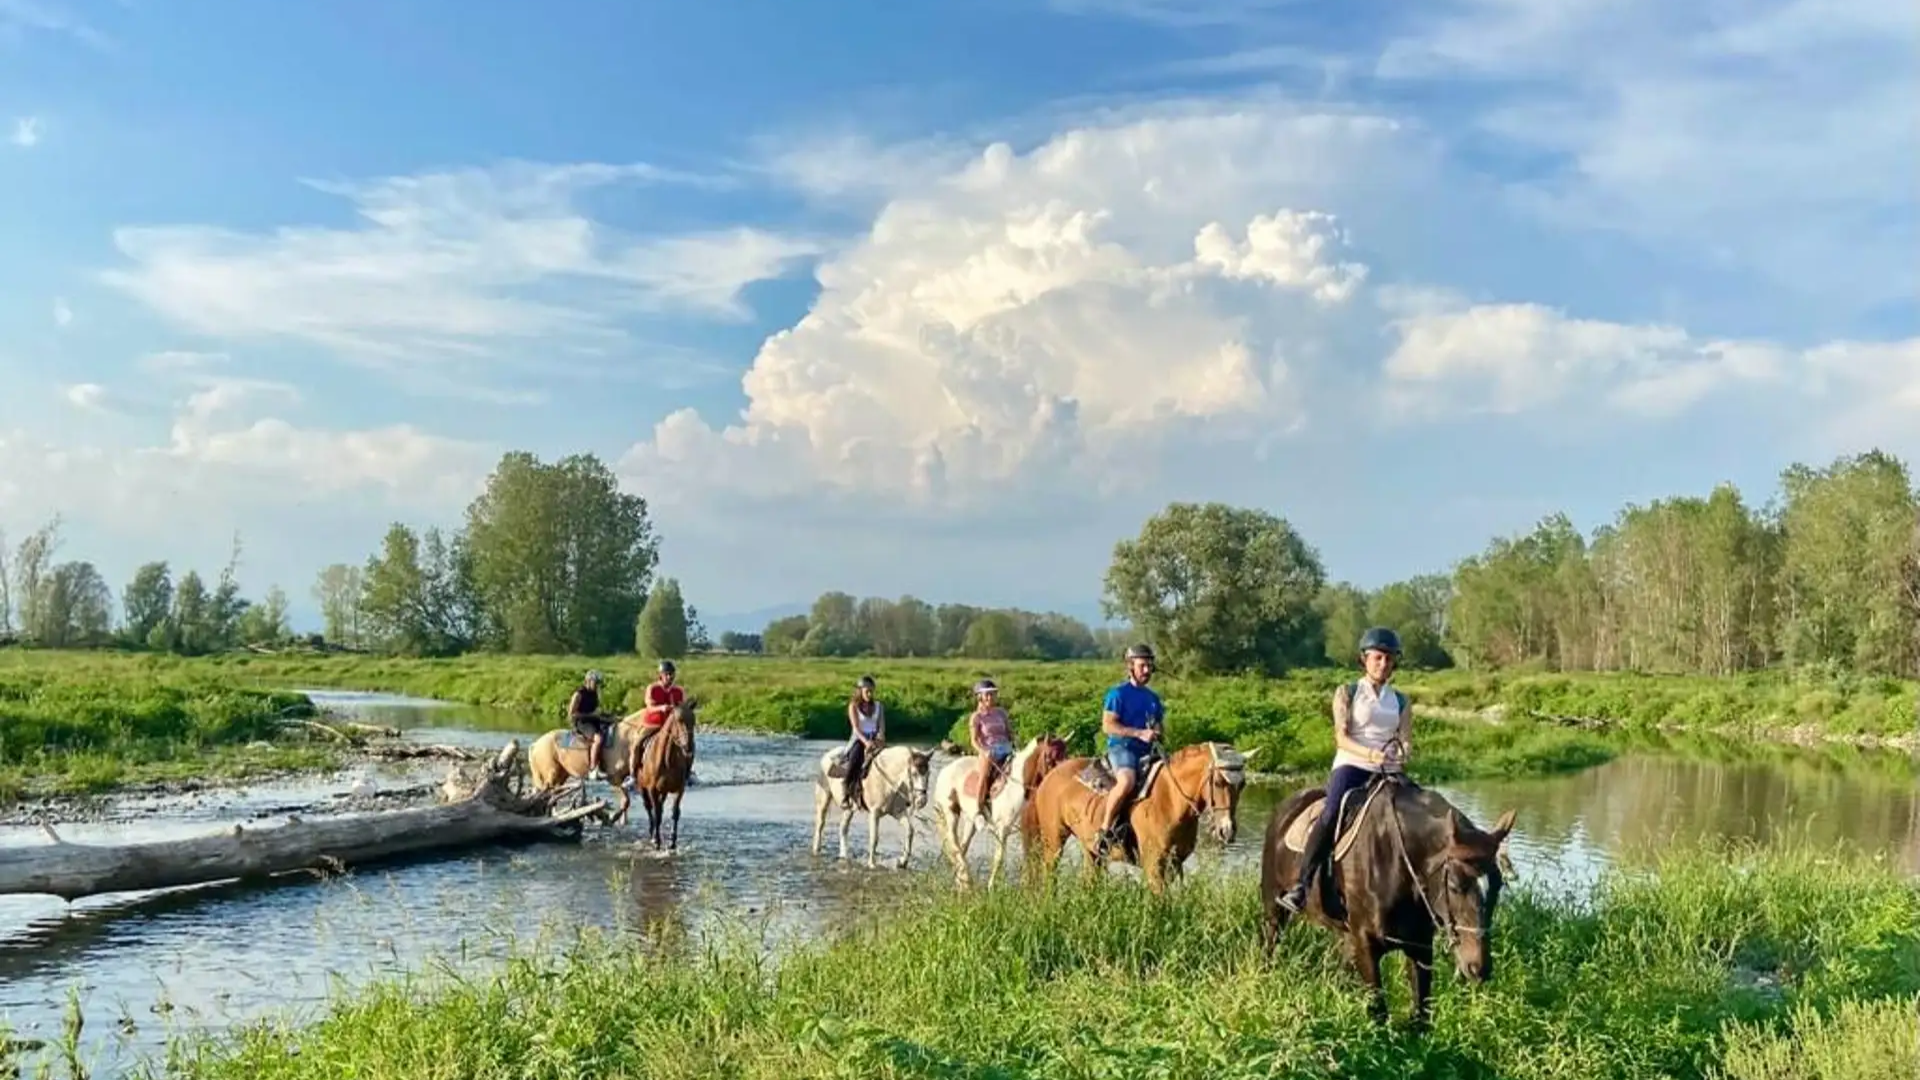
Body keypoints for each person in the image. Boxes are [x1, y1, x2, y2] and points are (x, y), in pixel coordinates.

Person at [1276, 626, 1414, 915]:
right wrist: (1369, 753)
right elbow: (1341, 737)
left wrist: (1403, 751)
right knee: (1331, 812)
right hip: (1353, 764)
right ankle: (1302, 886)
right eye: (1378, 657)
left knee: (1420, 808)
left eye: (1389, 659)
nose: (1384, 664)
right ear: (1364, 659)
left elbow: (1406, 737)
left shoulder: (1400, 700)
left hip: (1388, 769)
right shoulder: (1347, 692)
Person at [1095, 643, 1164, 854]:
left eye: (1150, 666)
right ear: (1130, 667)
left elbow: (1159, 725)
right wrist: (1139, 733)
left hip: (1147, 752)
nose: (1147, 671)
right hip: (1122, 748)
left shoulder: (1153, 699)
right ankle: (1105, 831)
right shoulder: (1118, 694)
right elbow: (1108, 726)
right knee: (1127, 782)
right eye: (1142, 666)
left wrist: (1157, 733)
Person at [842, 674, 886, 809]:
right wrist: (866, 742)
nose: (870, 694)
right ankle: (846, 792)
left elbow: (882, 725)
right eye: (867, 691)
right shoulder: (853, 706)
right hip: (859, 739)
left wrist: (880, 737)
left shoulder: (879, 706)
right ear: (860, 691)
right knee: (854, 760)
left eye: (872, 691)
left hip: (875, 739)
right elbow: (855, 728)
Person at [632, 659, 687, 767]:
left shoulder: (679, 690)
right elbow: (649, 707)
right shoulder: (652, 688)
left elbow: (683, 708)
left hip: (672, 726)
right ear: (661, 675)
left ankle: (688, 772)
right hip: (653, 724)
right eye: (667, 674)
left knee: (687, 743)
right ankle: (633, 774)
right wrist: (661, 708)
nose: (670, 677)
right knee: (637, 745)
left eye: (671, 674)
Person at [968, 678, 1015, 799]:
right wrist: (983, 751)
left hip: (1006, 748)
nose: (991, 697)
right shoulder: (976, 717)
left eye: (993, 694)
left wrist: (1014, 743)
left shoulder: (1001, 713)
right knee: (984, 775)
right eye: (987, 694)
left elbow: (1009, 732)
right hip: (989, 751)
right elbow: (974, 740)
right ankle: (978, 805)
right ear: (980, 697)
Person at [566, 669, 613, 781]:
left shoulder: (594, 693)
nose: (597, 686)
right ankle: (593, 769)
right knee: (598, 739)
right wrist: (591, 714)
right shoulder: (579, 694)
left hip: (592, 720)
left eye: (598, 684)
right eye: (595, 683)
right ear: (588, 681)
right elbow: (572, 714)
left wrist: (609, 716)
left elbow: (596, 711)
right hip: (581, 722)